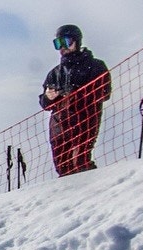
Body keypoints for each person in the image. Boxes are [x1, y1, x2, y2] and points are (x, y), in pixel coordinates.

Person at [39, 25, 110, 176]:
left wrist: (75, 94)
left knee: (80, 161)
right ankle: (70, 191)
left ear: (77, 41)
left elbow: (105, 92)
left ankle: (95, 187)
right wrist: (48, 97)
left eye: (66, 42)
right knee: (63, 167)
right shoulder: (55, 73)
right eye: (58, 43)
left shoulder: (95, 66)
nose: (62, 48)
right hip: (59, 125)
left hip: (85, 120)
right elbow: (44, 104)